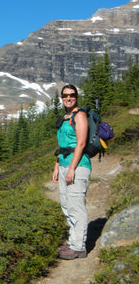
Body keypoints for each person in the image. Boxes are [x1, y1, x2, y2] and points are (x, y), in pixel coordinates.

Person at [52, 84, 91, 260]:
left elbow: (81, 144)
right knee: (67, 205)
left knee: (76, 207)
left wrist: (72, 169)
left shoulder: (80, 115)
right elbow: (63, 145)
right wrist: (57, 166)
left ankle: (79, 247)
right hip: (63, 165)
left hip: (78, 166)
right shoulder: (65, 117)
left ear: (76, 97)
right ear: (61, 98)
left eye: (72, 95)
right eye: (65, 95)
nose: (68, 98)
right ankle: (73, 240)